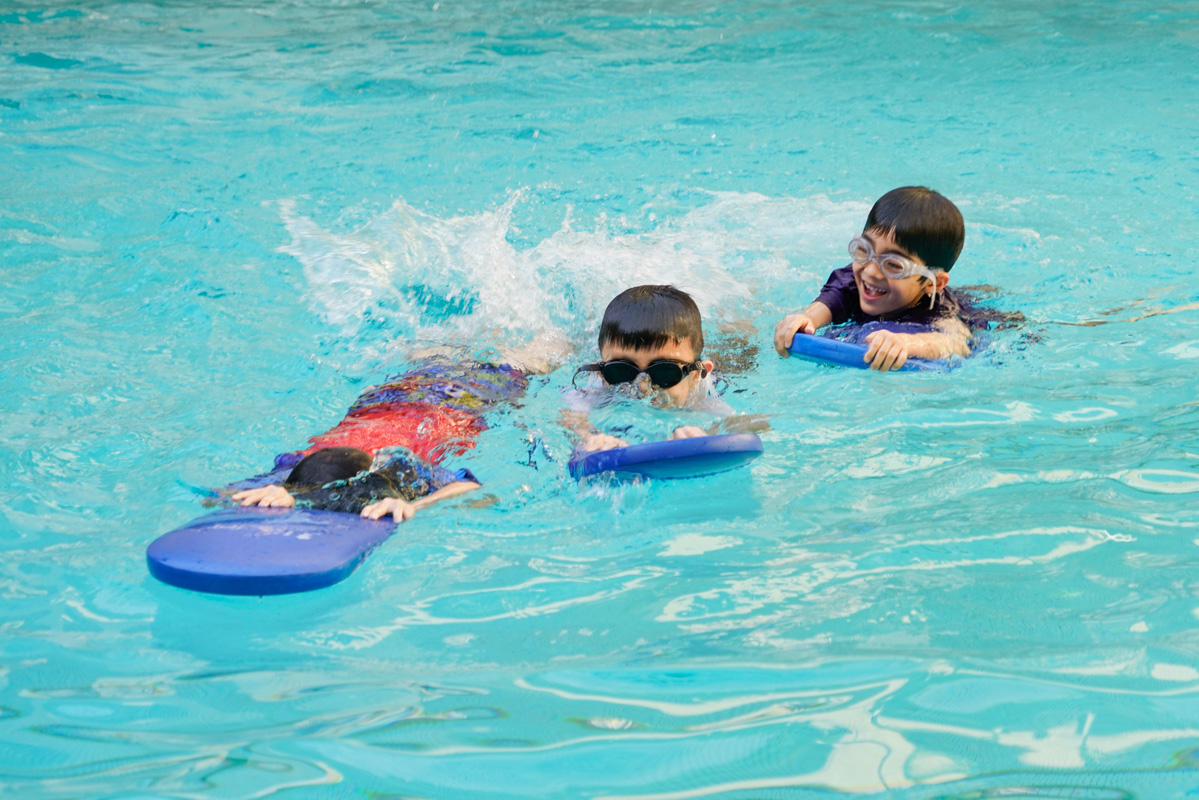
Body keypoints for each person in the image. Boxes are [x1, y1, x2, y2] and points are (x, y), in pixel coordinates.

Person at [227, 339, 564, 521]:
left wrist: (413, 506)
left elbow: (472, 487)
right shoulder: (299, 465)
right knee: (435, 353)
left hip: (463, 399)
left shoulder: (398, 466)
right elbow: (223, 495)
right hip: (396, 393)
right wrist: (279, 493)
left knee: (537, 360)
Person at [772, 186, 974, 371]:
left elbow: (957, 342)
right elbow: (824, 307)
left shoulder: (943, 309)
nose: (870, 272)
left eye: (894, 265)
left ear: (933, 283)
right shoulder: (850, 280)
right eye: (864, 250)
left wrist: (906, 343)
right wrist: (802, 320)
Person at [566, 285, 760, 453]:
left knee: (742, 339)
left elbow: (752, 425)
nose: (642, 387)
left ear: (695, 376)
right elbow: (569, 420)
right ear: (601, 374)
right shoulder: (592, 389)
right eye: (622, 371)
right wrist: (590, 439)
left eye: (665, 372)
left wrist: (707, 436)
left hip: (727, 358)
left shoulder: (704, 397)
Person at [231, 445, 481, 523]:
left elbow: (471, 486)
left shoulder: (403, 469)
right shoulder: (290, 466)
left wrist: (416, 505)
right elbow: (218, 496)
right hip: (371, 412)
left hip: (444, 413)